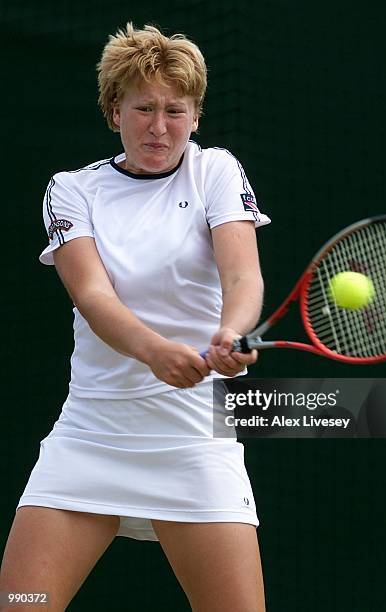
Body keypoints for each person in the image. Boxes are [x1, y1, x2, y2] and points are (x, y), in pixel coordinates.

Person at [0, 23, 270, 611]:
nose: (159, 126)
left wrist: (234, 330)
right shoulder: (72, 190)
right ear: (113, 111)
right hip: (92, 434)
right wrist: (155, 351)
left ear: (196, 117)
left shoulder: (216, 171)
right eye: (143, 108)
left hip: (196, 436)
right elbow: (94, 298)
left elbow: (242, 278)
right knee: (23, 605)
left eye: (176, 110)